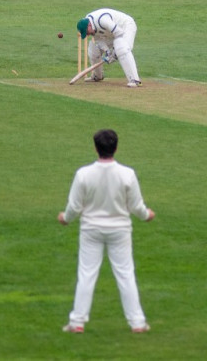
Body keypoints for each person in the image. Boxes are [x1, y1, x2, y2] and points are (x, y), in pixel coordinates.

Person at [57, 129, 155, 334]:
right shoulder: (127, 174)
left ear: (96, 148)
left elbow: (74, 206)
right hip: (120, 230)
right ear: (116, 148)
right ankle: (137, 322)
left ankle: (77, 322)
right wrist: (146, 215)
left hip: (91, 229)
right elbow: (136, 205)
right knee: (126, 274)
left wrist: (65, 218)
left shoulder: (83, 174)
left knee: (86, 274)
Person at [76, 8, 142, 87]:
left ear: (89, 26)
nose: (87, 34)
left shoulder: (102, 20)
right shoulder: (89, 23)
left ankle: (135, 80)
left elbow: (119, 33)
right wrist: (108, 52)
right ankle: (97, 76)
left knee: (121, 47)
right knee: (93, 49)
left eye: (87, 32)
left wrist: (114, 53)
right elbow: (99, 41)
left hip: (125, 27)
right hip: (110, 33)